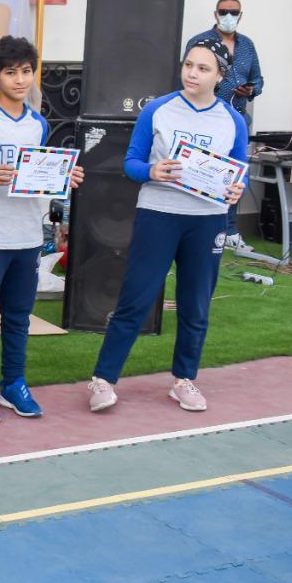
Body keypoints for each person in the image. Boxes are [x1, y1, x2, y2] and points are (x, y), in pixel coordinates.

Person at [88, 39, 246, 414]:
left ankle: (184, 379)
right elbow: (131, 162)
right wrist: (152, 171)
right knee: (135, 299)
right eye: (188, 64)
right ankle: (103, 380)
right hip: (159, 214)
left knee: (196, 304)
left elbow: (241, 171)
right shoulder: (158, 110)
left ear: (220, 76)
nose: (192, 73)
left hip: (207, 221)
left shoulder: (233, 120)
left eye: (203, 68)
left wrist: (239, 188)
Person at [0, 36, 84, 423]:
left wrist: (65, 176)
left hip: (26, 234)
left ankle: (13, 384)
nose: (20, 79)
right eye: (11, 72)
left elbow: (41, 174)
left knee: (19, 315)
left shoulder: (39, 123)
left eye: (26, 71)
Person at [185, 0, 262, 250]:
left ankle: (229, 230)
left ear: (241, 15)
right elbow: (189, 78)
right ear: (216, 13)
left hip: (236, 114)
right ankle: (196, 225)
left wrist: (250, 89)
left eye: (234, 12)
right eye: (224, 11)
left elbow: (258, 80)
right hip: (204, 115)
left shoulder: (247, 46)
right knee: (201, 167)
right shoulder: (200, 41)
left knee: (234, 171)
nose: (229, 15)